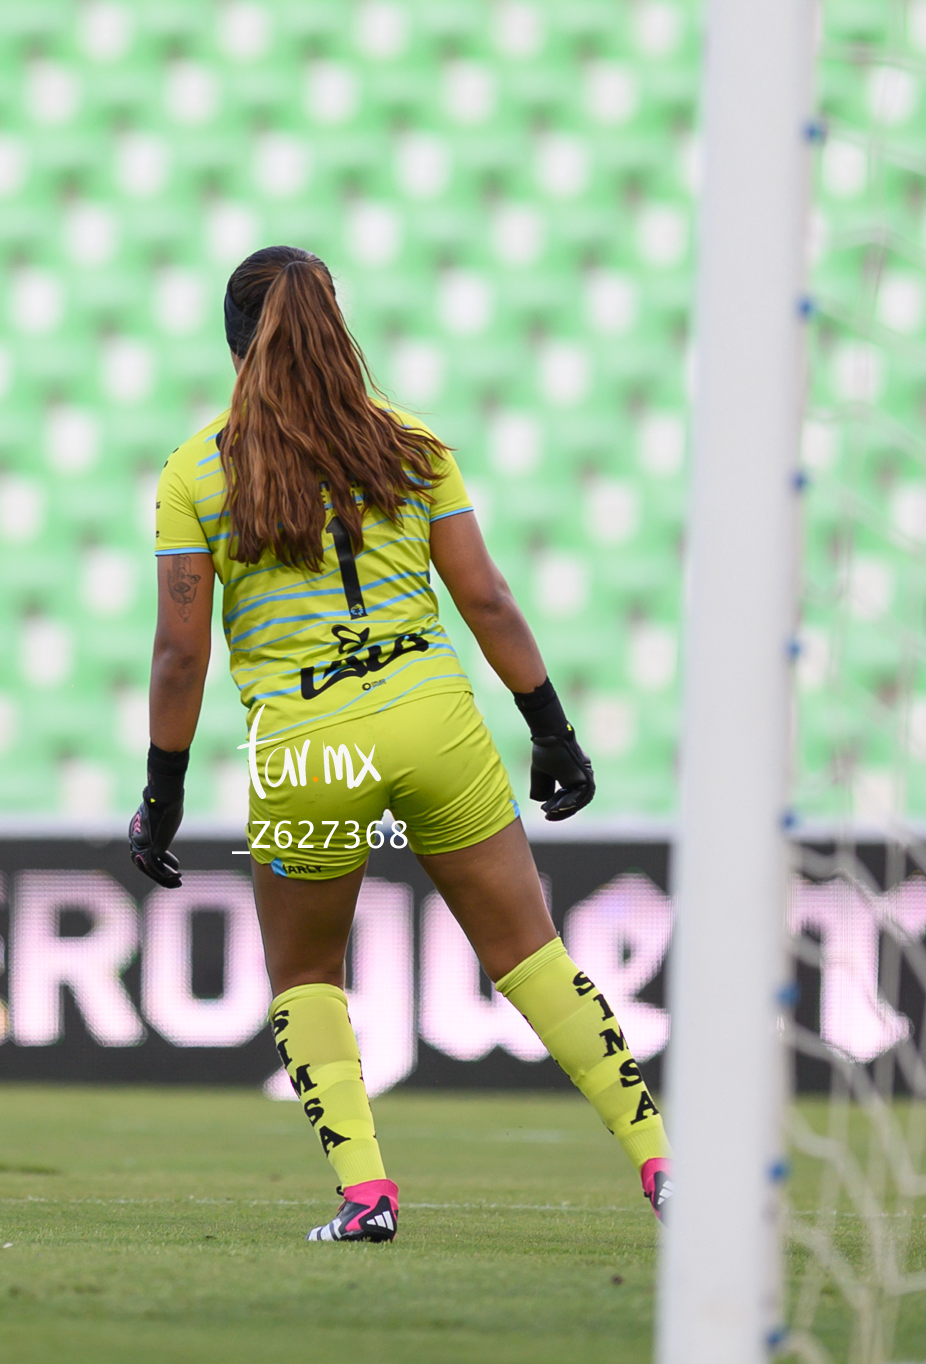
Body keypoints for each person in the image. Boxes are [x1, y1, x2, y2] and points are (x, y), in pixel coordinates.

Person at [127, 245, 670, 1243]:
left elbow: (177, 655)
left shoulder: (194, 469)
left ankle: (365, 1193)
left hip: (304, 745)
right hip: (433, 720)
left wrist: (160, 794)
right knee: (529, 953)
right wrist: (550, 730)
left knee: (305, 974)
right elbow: (485, 597)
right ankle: (661, 1160)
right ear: (337, 328)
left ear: (232, 341)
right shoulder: (409, 445)